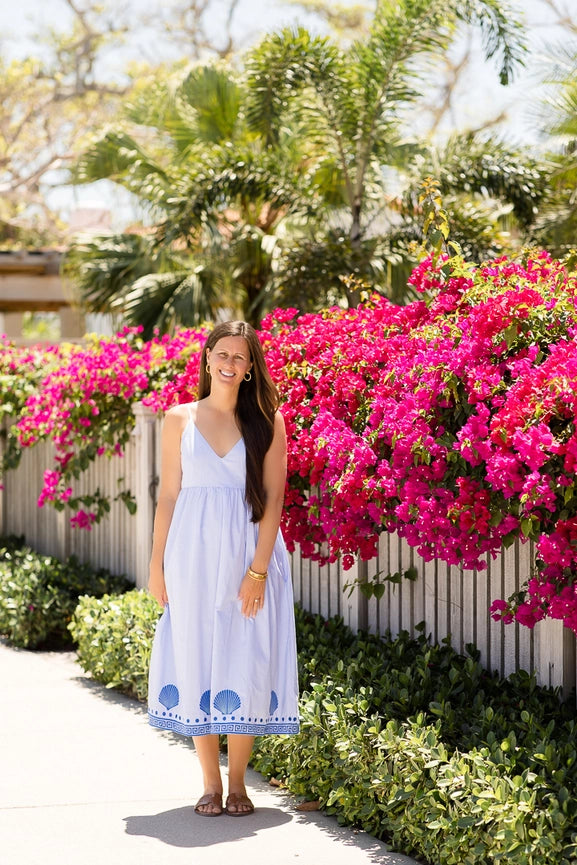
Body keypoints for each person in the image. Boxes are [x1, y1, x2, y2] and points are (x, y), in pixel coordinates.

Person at [147, 320, 300, 818]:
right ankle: (210, 784)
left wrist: (257, 572)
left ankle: (239, 784)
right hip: (190, 558)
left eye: (241, 357)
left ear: (251, 366)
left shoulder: (267, 421)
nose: (230, 364)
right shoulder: (178, 419)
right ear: (208, 356)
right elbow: (168, 495)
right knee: (198, 659)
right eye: (223, 354)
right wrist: (156, 565)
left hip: (246, 560)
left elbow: (274, 499)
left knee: (242, 660)